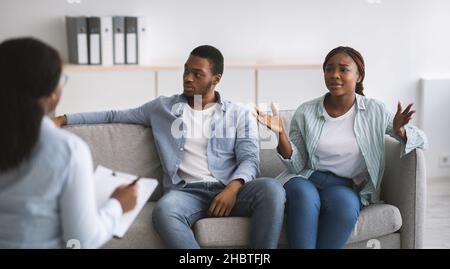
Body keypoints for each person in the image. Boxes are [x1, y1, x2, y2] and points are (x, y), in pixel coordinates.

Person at [53, 45, 286, 249]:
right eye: (186, 71)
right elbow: (113, 114)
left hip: (228, 188)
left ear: (215, 79)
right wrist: (64, 118)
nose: (187, 78)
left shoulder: (238, 114)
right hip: (185, 193)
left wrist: (232, 189)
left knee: (272, 190)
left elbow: (250, 160)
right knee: (164, 211)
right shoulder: (161, 108)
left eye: (197, 74)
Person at [255, 46, 428, 249]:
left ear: (359, 75)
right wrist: (281, 134)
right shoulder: (306, 111)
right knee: (303, 197)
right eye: (329, 69)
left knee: (346, 207)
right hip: (306, 178)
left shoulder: (375, 110)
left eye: (343, 69)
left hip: (343, 186)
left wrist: (400, 132)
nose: (334, 75)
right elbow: (296, 164)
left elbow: (421, 139)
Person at [0, 37, 138, 249]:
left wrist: (65, 118)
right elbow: (82, 241)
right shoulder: (67, 149)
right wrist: (118, 205)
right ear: (52, 92)